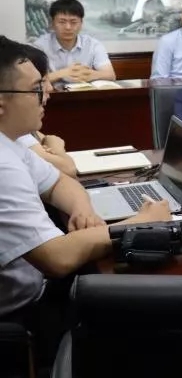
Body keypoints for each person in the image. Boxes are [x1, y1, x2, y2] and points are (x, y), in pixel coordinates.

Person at [0, 36, 170, 367]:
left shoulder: (11, 142)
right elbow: (57, 258)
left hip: (36, 291)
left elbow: (60, 182)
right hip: (25, 314)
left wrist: (83, 209)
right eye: (35, 90)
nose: (45, 97)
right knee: (139, 315)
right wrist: (139, 223)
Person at [17, 44, 78, 178]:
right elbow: (68, 170)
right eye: (43, 81)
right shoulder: (14, 127)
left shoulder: (25, 123)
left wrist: (51, 144)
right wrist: (57, 147)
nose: (49, 88)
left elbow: (46, 139)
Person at [32, 0, 115, 84]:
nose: (68, 27)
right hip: (52, 92)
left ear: (81, 24)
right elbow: (32, 82)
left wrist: (90, 74)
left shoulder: (93, 45)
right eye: (62, 22)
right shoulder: (39, 47)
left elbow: (111, 75)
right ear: (52, 23)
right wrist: (61, 73)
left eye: (73, 22)